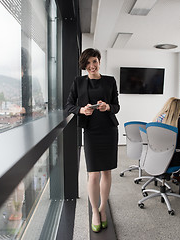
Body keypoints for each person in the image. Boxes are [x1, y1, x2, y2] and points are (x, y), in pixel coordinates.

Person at [65, 48, 120, 233]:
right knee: (93, 174)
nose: (91, 66)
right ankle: (94, 212)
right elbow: (69, 106)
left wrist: (107, 107)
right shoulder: (78, 82)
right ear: (84, 65)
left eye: (94, 61)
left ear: (99, 61)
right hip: (91, 131)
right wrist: (82, 110)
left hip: (109, 130)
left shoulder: (110, 81)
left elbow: (117, 106)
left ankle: (103, 208)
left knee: (106, 172)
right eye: (88, 63)